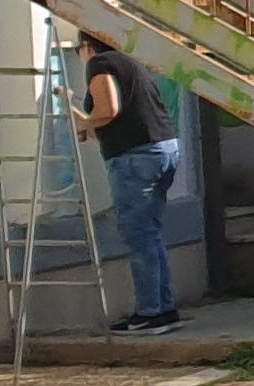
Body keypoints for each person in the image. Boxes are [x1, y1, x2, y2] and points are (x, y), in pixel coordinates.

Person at [75, 31, 185, 335]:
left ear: (87, 45)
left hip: (136, 158)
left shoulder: (99, 63)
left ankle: (149, 312)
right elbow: (125, 114)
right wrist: (93, 126)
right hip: (162, 148)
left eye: (78, 50)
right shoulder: (129, 61)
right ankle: (163, 308)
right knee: (150, 233)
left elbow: (108, 110)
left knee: (138, 234)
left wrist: (82, 120)